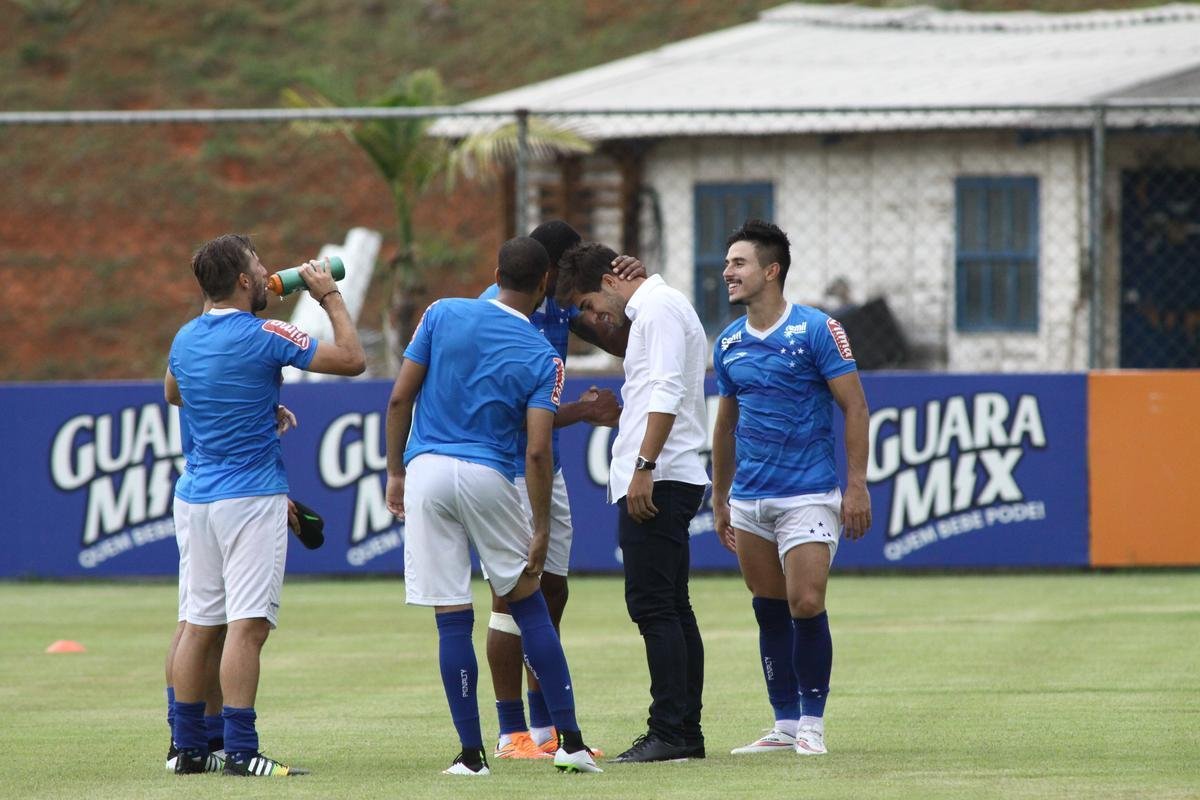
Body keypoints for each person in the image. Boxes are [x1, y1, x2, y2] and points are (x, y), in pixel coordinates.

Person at [384, 236, 602, 777]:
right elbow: (535, 449)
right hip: (489, 474)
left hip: (427, 471)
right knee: (528, 607)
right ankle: (568, 743)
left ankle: (471, 755)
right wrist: (541, 527)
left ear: (495, 270)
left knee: (451, 620)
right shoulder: (544, 355)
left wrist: (393, 471)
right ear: (545, 283)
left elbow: (398, 398)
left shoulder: (441, 313)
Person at [165, 234, 365, 777]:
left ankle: (186, 749)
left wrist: (255, 405)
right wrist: (328, 297)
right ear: (247, 282)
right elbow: (352, 359)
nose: (270, 274)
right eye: (259, 266)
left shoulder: (185, 338)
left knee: (198, 624)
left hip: (195, 498)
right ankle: (241, 751)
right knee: (247, 626)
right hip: (250, 498)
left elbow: (174, 393)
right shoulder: (267, 332)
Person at [477, 220, 639, 760]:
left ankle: (545, 730)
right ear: (547, 271)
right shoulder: (495, 314)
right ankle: (510, 732)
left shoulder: (559, 305)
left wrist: (637, 290)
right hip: (505, 467)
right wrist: (585, 411)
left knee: (553, 591)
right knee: (510, 594)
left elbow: (622, 335)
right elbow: (507, 416)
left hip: (549, 469)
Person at [709, 219, 871, 757]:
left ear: (770, 270)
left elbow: (854, 406)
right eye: (728, 263)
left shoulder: (817, 330)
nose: (727, 272)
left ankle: (813, 724)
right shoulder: (728, 342)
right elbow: (725, 424)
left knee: (805, 601)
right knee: (768, 607)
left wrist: (856, 487)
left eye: (738, 263)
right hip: (750, 497)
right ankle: (783, 724)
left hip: (808, 493)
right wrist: (720, 496)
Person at [555, 242, 710, 763]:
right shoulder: (654, 308)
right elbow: (656, 391)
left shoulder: (659, 309)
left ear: (610, 281)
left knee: (654, 607)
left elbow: (666, 391)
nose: (591, 319)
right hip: (665, 470)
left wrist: (644, 466)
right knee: (672, 605)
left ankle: (670, 732)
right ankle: (683, 731)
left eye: (585, 304)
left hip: (659, 475)